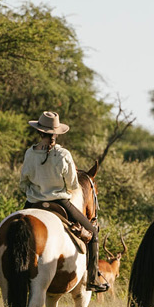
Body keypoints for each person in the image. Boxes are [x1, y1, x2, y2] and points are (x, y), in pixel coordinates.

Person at [19, 111, 109, 293]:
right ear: (57, 133)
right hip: (60, 203)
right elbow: (73, 185)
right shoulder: (63, 154)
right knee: (93, 232)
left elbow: (23, 184)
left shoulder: (30, 153)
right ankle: (93, 278)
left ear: (40, 132)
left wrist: (35, 191)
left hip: (32, 204)